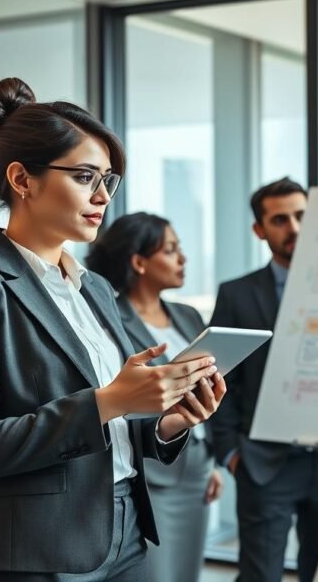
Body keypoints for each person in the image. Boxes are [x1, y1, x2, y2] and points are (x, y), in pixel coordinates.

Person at [0, 77, 226, 581]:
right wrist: (110, 400)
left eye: (109, 179)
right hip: (35, 549)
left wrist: (172, 420)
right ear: (23, 180)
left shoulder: (98, 289)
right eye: (86, 176)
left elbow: (125, 431)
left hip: (126, 532)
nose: (103, 195)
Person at [208, 177, 318, 582]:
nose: (293, 228)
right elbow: (220, 378)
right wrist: (231, 454)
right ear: (260, 230)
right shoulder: (236, 294)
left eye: (301, 216)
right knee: (259, 576)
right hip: (264, 464)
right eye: (279, 219)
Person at [86, 212, 224, 582]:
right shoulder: (109, 318)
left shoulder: (188, 315)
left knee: (186, 571)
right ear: (139, 261)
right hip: (150, 472)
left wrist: (212, 463)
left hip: (193, 462)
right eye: (172, 250)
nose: (184, 259)